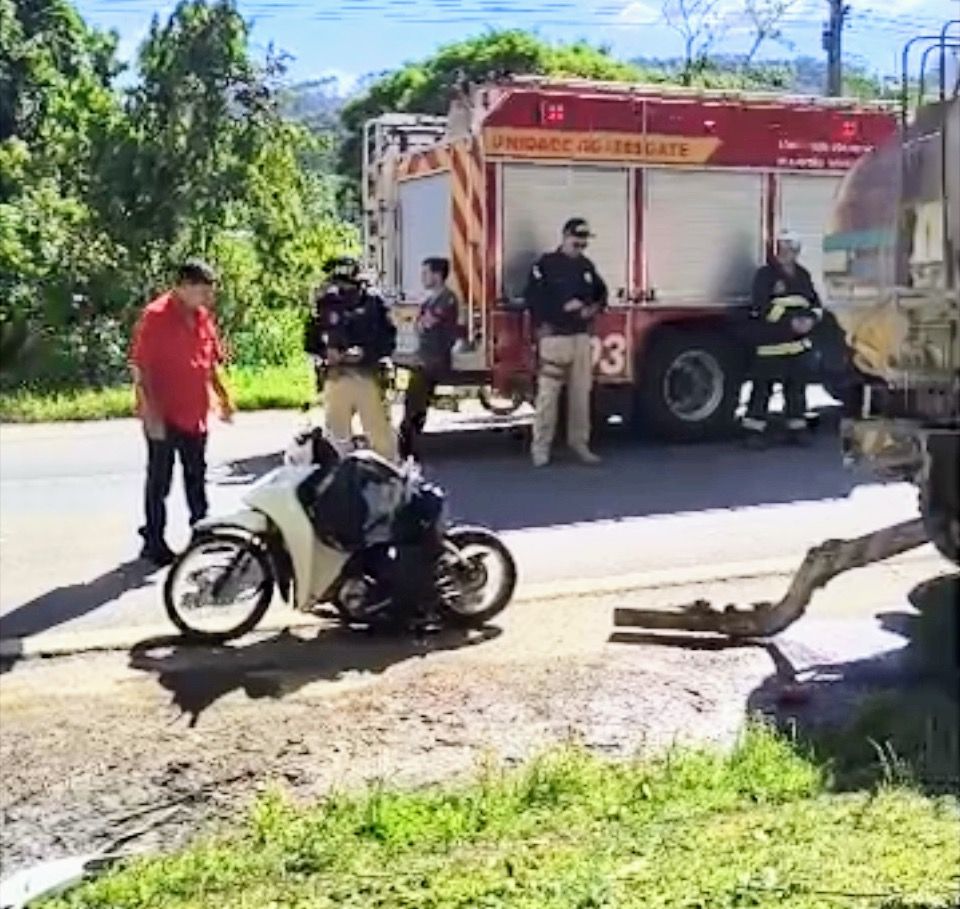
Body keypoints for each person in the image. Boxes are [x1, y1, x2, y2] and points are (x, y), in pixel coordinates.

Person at [130, 259, 234, 567]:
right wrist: (151, 414)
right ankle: (153, 540)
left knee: (196, 475)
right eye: (202, 291)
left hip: (195, 410)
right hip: (163, 412)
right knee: (159, 480)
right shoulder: (156, 316)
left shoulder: (201, 316)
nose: (208, 298)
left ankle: (202, 532)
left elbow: (209, 362)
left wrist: (223, 397)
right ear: (183, 287)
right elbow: (141, 368)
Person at [524, 217, 608, 468]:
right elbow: (534, 299)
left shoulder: (586, 267)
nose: (580, 246)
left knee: (581, 397)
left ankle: (580, 443)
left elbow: (602, 294)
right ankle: (541, 448)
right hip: (554, 337)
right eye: (576, 241)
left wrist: (591, 308)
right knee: (548, 398)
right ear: (565, 237)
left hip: (580, 337)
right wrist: (561, 309)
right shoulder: (546, 265)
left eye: (584, 242)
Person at [304, 256, 397, 460]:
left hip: (369, 375)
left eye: (345, 284)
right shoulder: (325, 303)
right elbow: (310, 341)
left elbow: (388, 341)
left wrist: (365, 353)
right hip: (337, 376)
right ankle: (339, 472)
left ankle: (387, 470)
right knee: (337, 437)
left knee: (380, 437)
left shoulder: (374, 303)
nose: (340, 289)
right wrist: (326, 353)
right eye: (337, 283)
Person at [742, 230, 824, 448]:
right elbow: (761, 306)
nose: (786, 252)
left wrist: (810, 320)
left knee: (796, 389)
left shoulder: (803, 275)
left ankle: (797, 428)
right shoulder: (765, 275)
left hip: (797, 346)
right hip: (771, 344)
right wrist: (790, 323)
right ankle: (754, 431)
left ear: (797, 251)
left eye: (790, 248)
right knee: (762, 389)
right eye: (782, 248)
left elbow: (814, 303)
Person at [398, 257, 461, 461]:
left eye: (426, 273)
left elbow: (426, 323)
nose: (422, 277)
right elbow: (419, 324)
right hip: (425, 356)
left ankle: (410, 442)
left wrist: (421, 321)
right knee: (413, 400)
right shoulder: (429, 301)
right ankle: (408, 440)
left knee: (416, 399)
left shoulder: (447, 299)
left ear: (437, 275)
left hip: (436, 359)